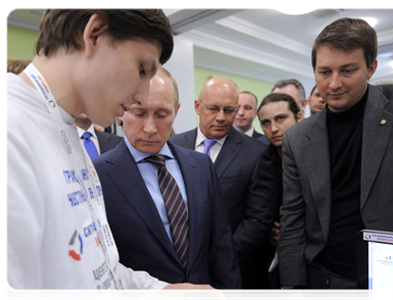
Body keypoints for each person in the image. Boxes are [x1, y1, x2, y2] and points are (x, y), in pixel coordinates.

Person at [6, 8, 227, 300]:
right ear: (94, 35)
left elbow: (97, 265)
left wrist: (156, 291)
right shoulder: (10, 131)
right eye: (141, 70)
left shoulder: (66, 130)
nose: (143, 95)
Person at [278, 17, 393, 300]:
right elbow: (292, 214)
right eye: (324, 72)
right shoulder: (297, 138)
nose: (334, 84)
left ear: (371, 68)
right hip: (328, 277)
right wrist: (290, 286)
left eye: (348, 71)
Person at [93, 67, 243, 300]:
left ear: (177, 111)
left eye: (162, 114)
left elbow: (222, 248)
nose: (150, 128)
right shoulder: (99, 174)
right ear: (122, 111)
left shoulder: (200, 165)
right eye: (139, 113)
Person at [170, 76, 278, 300]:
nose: (221, 117)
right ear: (198, 107)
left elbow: (258, 219)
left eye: (229, 110)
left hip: (232, 273)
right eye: (213, 109)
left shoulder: (256, 154)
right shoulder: (173, 146)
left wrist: (220, 256)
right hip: (176, 270)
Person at [257, 93, 302, 300]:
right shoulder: (260, 161)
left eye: (281, 119)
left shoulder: (319, 155)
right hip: (274, 263)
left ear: (299, 117)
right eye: (266, 123)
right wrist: (268, 232)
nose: (273, 128)